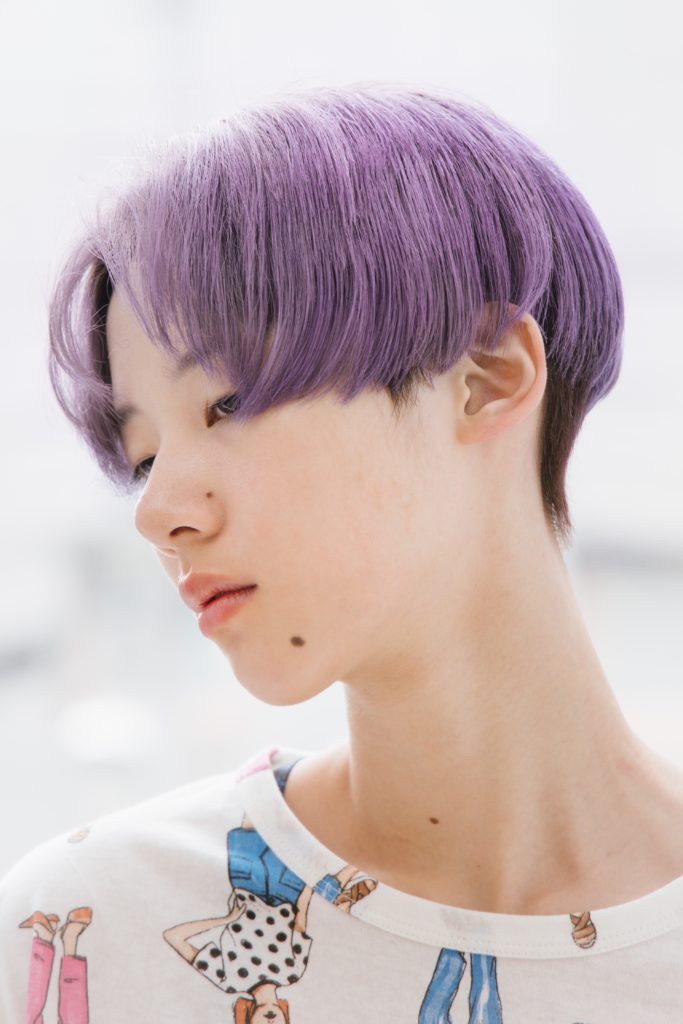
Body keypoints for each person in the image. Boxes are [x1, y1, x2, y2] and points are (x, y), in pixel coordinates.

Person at [2, 83, 682, 1023]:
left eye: (228, 404)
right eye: (144, 456)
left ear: (487, 378)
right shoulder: (90, 928)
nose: (158, 513)